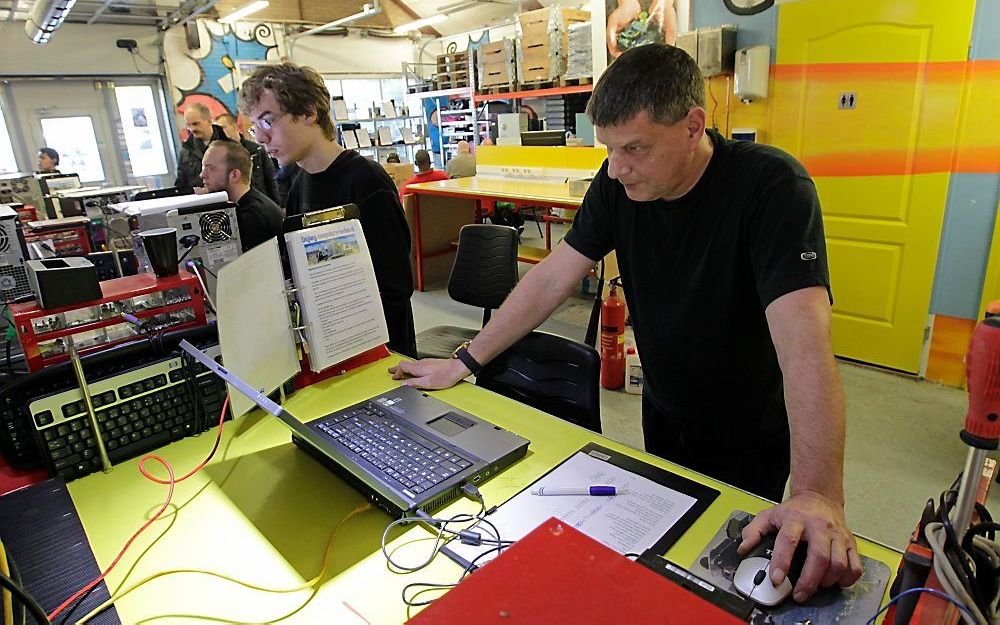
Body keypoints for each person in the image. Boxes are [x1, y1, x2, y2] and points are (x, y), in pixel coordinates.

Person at [388, 44, 863, 603]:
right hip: (663, 408)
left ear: (693, 125)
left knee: (727, 576)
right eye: (610, 149)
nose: (617, 168)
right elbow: (551, 279)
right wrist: (464, 360)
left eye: (634, 147)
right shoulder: (618, 181)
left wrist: (817, 494)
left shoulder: (772, 189)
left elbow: (805, 344)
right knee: (659, 564)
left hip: (748, 428)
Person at [238, 62, 416, 358]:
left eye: (268, 121)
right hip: (328, 349)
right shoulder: (299, 183)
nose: (260, 137)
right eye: (256, 126)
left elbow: (396, 286)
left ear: (308, 112)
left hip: (381, 353)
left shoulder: (366, 181)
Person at [199, 140, 282, 252]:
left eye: (210, 168)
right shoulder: (247, 205)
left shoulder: (252, 217)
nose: (202, 175)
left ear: (234, 175)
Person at [214, 113, 281, 205]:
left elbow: (270, 180)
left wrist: (278, 205)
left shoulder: (256, 150)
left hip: (262, 203)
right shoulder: (222, 155)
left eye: (222, 127)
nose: (219, 132)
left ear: (234, 127)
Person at [175, 102, 231, 193]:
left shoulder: (230, 147)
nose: (192, 129)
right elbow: (181, 185)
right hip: (199, 204)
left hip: (226, 201)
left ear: (209, 120)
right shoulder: (185, 152)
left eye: (195, 124)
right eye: (188, 125)